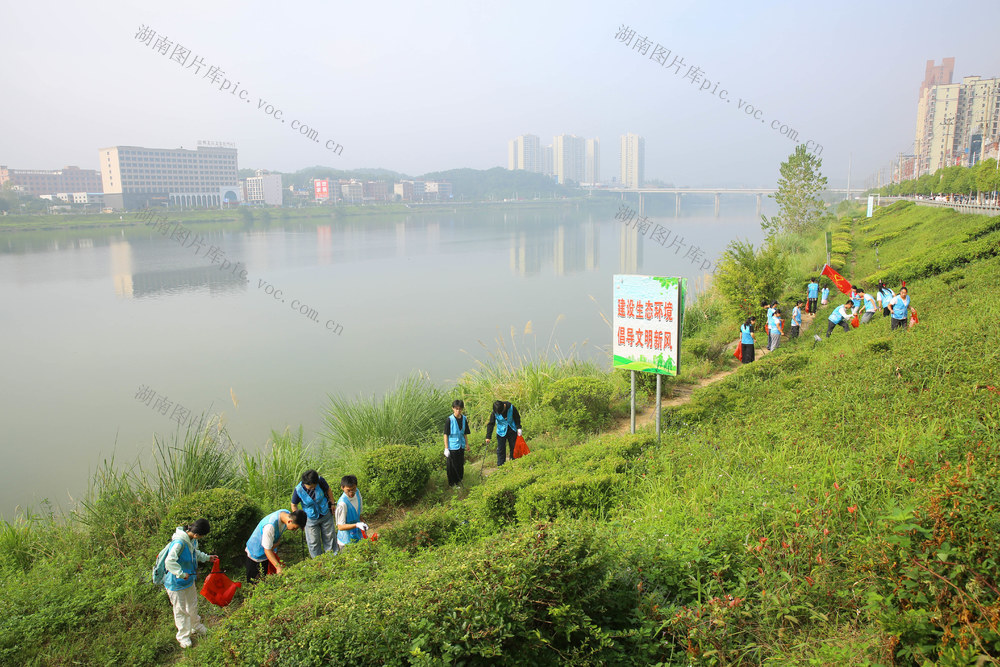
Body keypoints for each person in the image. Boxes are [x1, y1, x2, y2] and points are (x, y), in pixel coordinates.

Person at [161, 519, 216, 648]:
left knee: (192, 604)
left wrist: (207, 558)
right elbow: (169, 562)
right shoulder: (179, 543)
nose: (201, 538)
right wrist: (180, 573)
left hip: (188, 580)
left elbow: (194, 553)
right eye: (202, 536)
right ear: (196, 534)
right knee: (180, 610)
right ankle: (183, 637)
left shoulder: (191, 540)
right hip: (176, 583)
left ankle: (195, 625)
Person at [245, 508, 307, 583]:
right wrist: (278, 567)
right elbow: (267, 550)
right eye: (294, 528)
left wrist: (276, 543)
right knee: (254, 582)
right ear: (290, 521)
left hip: (268, 551)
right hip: (256, 553)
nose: (294, 530)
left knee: (264, 578)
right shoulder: (269, 527)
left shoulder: (286, 514)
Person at [291, 469, 336, 558]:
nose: (313, 489)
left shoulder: (320, 480)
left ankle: (333, 559)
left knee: (329, 537)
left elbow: (328, 490)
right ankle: (318, 562)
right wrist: (299, 520)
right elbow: (294, 505)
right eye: (310, 487)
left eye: (314, 487)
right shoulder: (298, 490)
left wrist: (332, 503)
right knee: (313, 542)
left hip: (325, 513)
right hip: (310, 519)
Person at [485, 400, 523, 466]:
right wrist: (488, 436)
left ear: (504, 406)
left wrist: (518, 427)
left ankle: (514, 463)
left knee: (513, 447)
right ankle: (501, 466)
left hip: (511, 429)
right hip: (501, 432)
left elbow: (517, 417)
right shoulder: (495, 411)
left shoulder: (511, 407)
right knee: (501, 449)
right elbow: (491, 424)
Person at [335, 474, 367, 552]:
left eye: (353, 489)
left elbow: (358, 510)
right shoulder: (342, 504)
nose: (351, 493)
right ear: (342, 488)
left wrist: (361, 521)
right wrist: (356, 525)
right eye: (348, 490)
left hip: (357, 535)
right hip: (346, 541)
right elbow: (340, 527)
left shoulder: (357, 493)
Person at [442, 399, 469, 487]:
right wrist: (446, 448)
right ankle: (452, 484)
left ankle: (459, 481)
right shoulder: (449, 420)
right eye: (456, 409)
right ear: (453, 408)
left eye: (460, 409)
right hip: (452, 446)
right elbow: (446, 434)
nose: (458, 411)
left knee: (460, 464)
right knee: (452, 466)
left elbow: (465, 433)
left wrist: (467, 444)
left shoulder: (464, 418)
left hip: (461, 445)